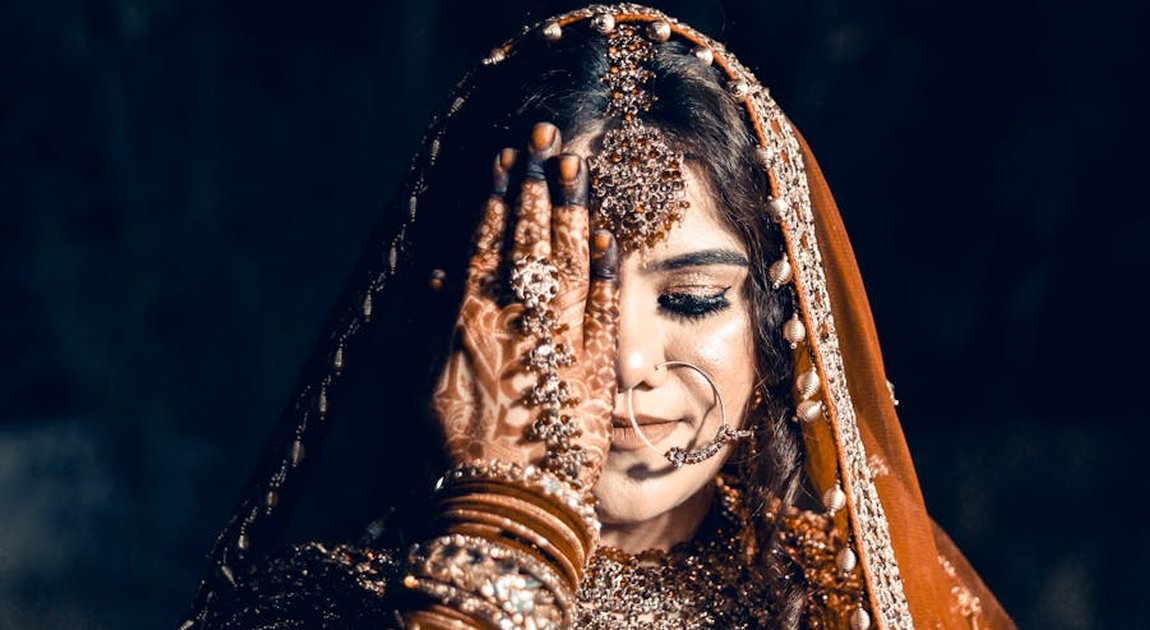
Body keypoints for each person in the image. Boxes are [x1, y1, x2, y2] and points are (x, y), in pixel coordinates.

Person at [180, 5, 1013, 629]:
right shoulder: (320, 606)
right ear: (457, 316)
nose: (628, 364)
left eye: (692, 300)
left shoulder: (859, 598)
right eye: (562, 299)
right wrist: (504, 538)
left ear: (776, 323)